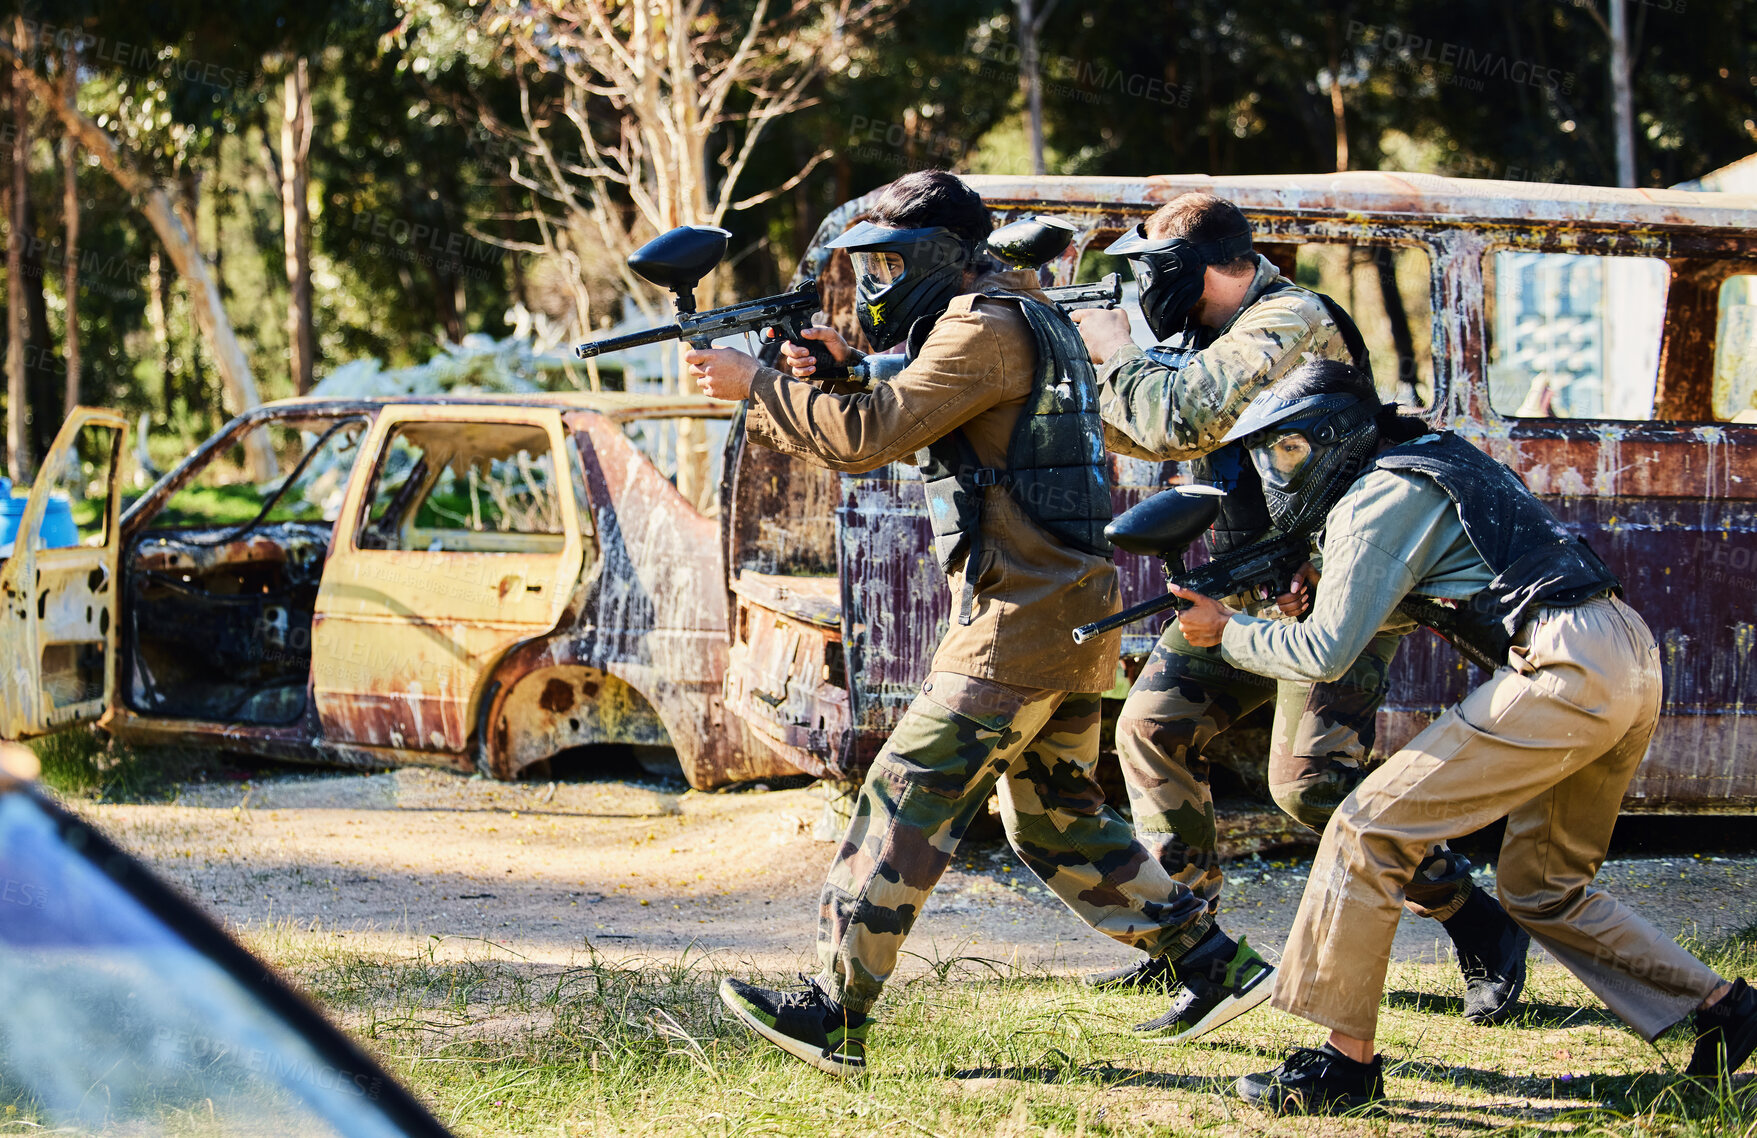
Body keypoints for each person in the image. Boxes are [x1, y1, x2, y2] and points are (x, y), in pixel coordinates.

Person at [685, 170, 1272, 1076]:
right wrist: (834, 371)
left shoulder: (980, 324)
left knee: (903, 796)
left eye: (890, 265)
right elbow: (916, 405)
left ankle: (835, 1013)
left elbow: (869, 436)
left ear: (941, 257)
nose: (879, 285)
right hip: (1065, 610)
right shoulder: (1023, 311)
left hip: (1019, 621)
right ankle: (1214, 965)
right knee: (1056, 820)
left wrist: (757, 382)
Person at [1161, 359, 1757, 1113]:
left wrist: (1227, 633)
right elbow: (1435, 597)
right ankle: (1723, 1008)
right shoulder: (1431, 463)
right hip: (1624, 652)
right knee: (1541, 889)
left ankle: (1341, 1067)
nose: (1279, 471)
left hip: (1564, 665)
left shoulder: (1376, 496)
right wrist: (1305, 601)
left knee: (1365, 829)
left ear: (1332, 438)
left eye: (1287, 451)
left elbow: (1324, 656)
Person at [1072, 193, 1527, 1030]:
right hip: (1254, 576)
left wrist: (1113, 351)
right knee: (1153, 726)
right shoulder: (1205, 334)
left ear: (1206, 269)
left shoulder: (1287, 318)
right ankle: (1192, 949)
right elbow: (1145, 432)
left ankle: (1477, 921)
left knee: (1312, 786)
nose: (1145, 293)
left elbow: (1179, 416)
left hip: (1341, 577)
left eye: (1155, 274)